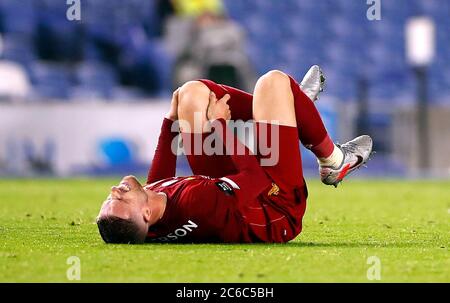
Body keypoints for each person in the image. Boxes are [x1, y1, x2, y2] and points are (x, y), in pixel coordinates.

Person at [96, 66, 373, 244]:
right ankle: (334, 161)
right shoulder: (197, 204)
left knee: (189, 95)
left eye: (110, 199)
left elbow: (157, 184)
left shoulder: (150, 216)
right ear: (144, 213)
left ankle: (292, 105)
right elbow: (255, 178)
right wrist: (219, 126)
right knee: (273, 82)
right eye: (120, 200)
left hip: (235, 193)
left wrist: (170, 124)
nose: (114, 191)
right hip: (275, 204)